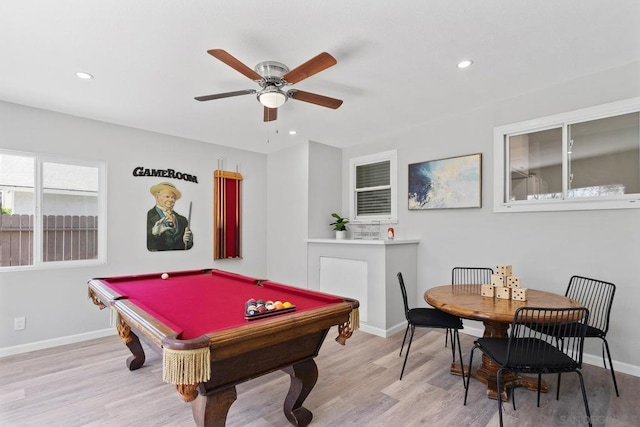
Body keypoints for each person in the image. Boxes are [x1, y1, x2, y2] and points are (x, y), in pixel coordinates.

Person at [147, 182, 193, 251]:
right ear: (157, 197)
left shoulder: (183, 220)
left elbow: (187, 247)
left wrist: (188, 242)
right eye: (167, 196)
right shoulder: (149, 215)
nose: (171, 200)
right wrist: (153, 233)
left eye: (173, 197)